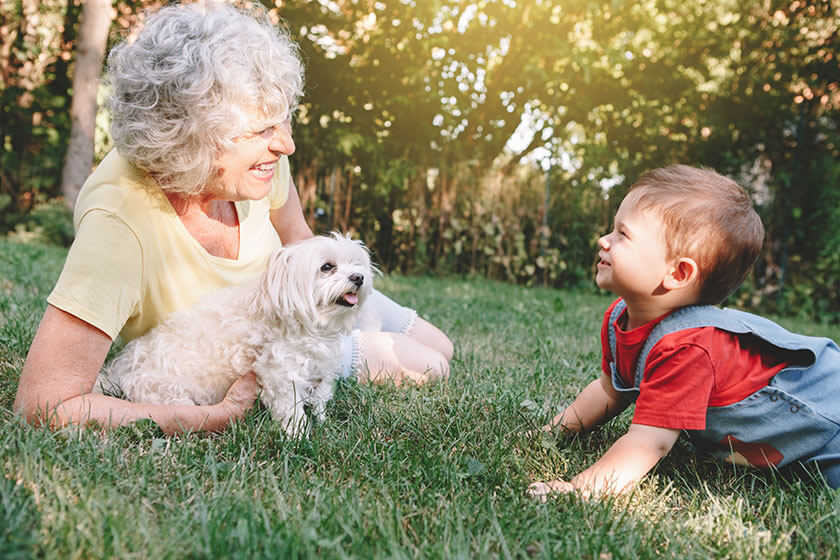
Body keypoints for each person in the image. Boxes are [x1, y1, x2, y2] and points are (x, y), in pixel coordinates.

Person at [14, 2, 452, 435]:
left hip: (306, 304)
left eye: (283, 122)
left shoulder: (257, 165)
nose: (286, 146)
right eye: (263, 130)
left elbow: (301, 241)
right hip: (270, 343)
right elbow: (43, 405)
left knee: (441, 344)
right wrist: (209, 417)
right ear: (194, 139)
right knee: (431, 365)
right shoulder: (119, 225)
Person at [529, 164, 840, 496]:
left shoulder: (688, 348)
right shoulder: (621, 316)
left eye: (623, 234)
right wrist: (548, 433)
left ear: (677, 273)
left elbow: (648, 442)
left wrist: (581, 489)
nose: (603, 240)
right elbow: (610, 390)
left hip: (826, 422)